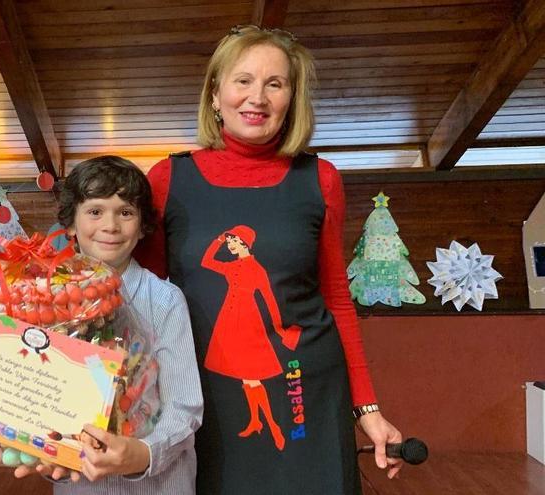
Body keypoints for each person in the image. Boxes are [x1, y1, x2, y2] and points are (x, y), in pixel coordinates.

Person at [135, 25, 404, 494]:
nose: (256, 97)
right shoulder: (166, 179)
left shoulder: (320, 179)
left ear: (290, 99)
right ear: (215, 93)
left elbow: (336, 299)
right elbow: (144, 300)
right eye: (243, 80)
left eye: (274, 84)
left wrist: (368, 408)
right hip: (202, 392)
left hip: (307, 388)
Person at [16, 155, 204, 494]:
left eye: (126, 212)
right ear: (70, 223)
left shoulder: (164, 300)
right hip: (80, 485)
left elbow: (184, 406)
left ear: (144, 224)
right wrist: (41, 448)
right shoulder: (47, 303)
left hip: (159, 485)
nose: (111, 225)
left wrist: (143, 454)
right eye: (95, 211)